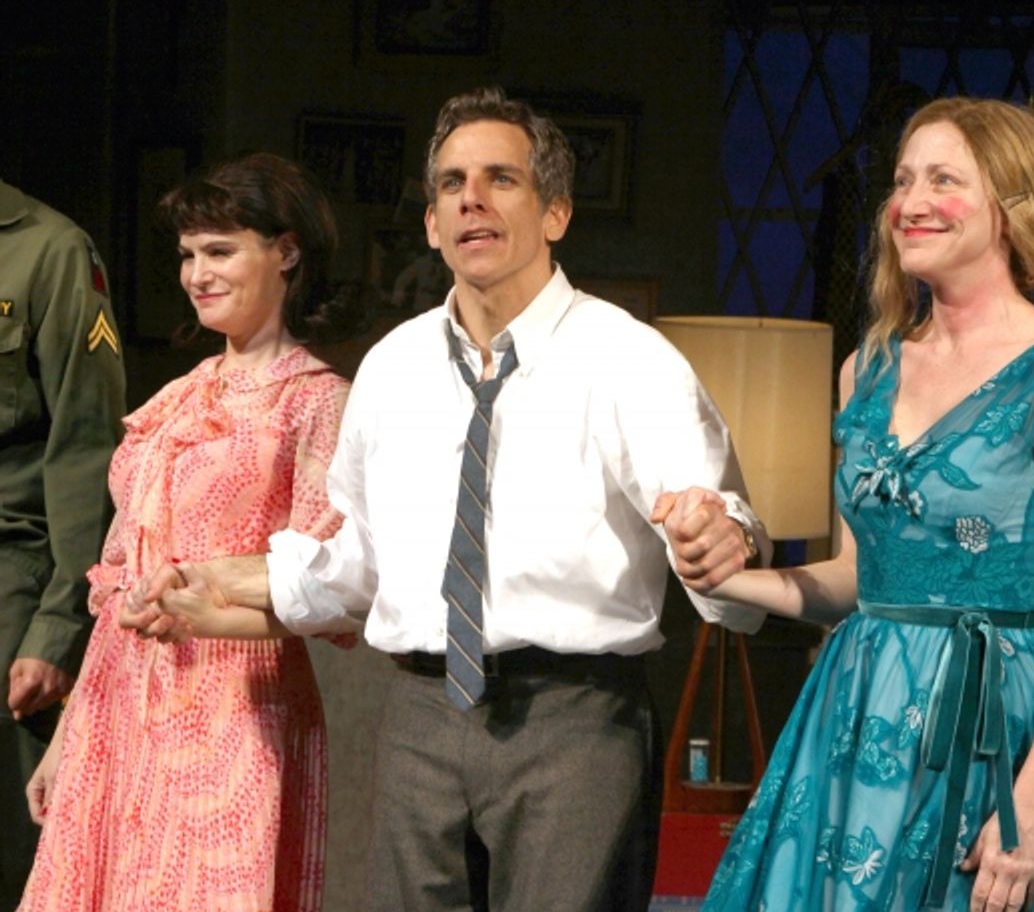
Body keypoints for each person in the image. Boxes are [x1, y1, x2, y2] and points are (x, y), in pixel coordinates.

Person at [130, 86, 770, 912]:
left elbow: (722, 523)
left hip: (572, 720)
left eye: (501, 178)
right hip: (421, 719)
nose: (471, 198)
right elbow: (356, 565)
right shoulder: (393, 369)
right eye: (450, 184)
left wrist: (721, 540)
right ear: (432, 224)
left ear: (556, 213)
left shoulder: (628, 359)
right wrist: (219, 582)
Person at [655, 97, 1034, 911]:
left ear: (1012, 207)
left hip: (1003, 738)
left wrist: (1030, 807)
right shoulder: (867, 370)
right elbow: (859, 580)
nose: (910, 202)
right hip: (858, 722)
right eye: (902, 181)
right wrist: (726, 578)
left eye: (943, 179)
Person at [18, 152, 360, 912]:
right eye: (187, 255)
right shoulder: (177, 396)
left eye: (220, 250)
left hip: (232, 704)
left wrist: (205, 608)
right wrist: (71, 738)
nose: (196, 273)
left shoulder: (313, 404)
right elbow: (113, 585)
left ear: (288, 251)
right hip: (120, 698)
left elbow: (329, 591)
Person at [0, 180, 125, 910]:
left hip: (10, 570)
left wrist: (57, 626)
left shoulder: (47, 251)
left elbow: (86, 448)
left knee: (16, 853)